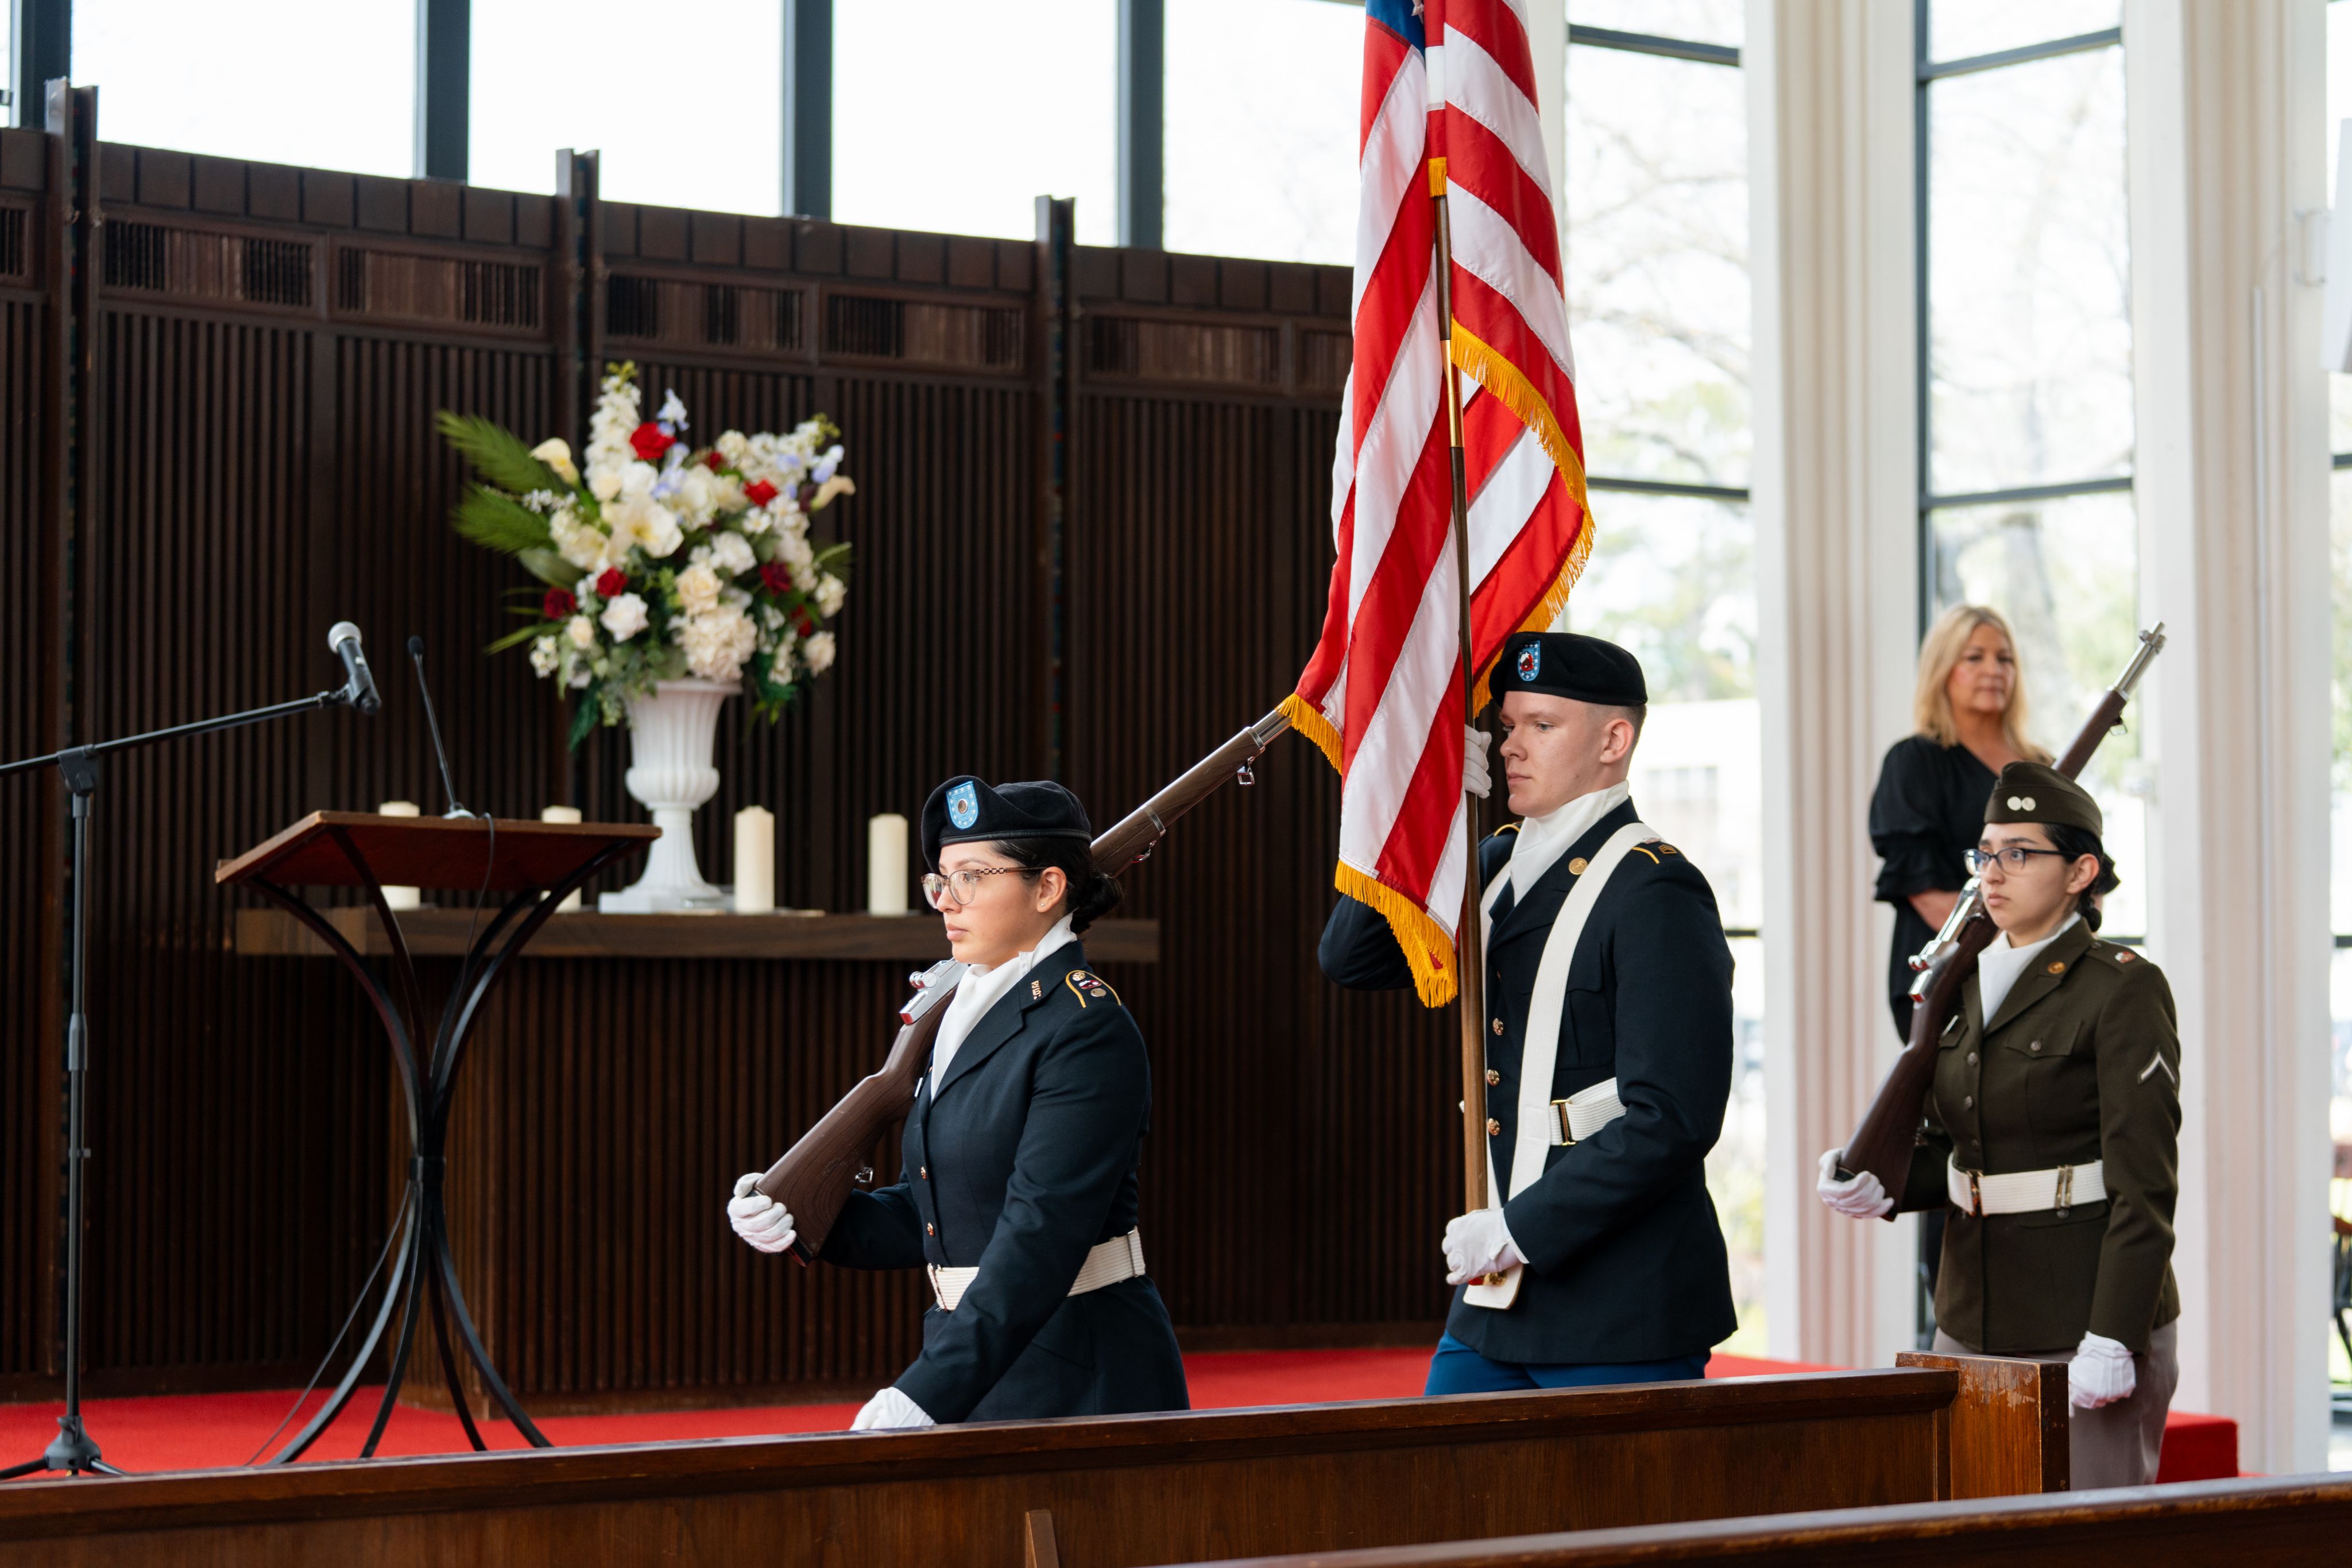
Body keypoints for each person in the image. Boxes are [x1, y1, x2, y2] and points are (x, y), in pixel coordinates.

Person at [1320, 631, 1736, 1394]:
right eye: (1508, 726)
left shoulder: (1655, 890)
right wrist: (1428, 809)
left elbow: (1672, 1114)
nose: (1513, 745)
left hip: (1623, 1303)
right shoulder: (1497, 864)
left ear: (1615, 739)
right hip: (1497, 1304)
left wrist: (1519, 1228)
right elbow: (1350, 958)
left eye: (1542, 725)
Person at [725, 776, 1188, 1428]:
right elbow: (945, 1207)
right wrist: (806, 1216)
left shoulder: (1084, 1026)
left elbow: (1038, 1237)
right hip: (974, 1357)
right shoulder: (964, 1012)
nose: (946, 900)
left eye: (971, 876)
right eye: (939, 879)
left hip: (1078, 1373)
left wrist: (925, 1394)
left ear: (1049, 887)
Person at [1818, 763, 2181, 1488]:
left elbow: (2144, 1187)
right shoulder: (1959, 984)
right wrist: (1881, 1183)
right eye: (1984, 854)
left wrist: (2113, 1332)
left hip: (2080, 1319)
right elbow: (1964, 1150)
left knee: (2088, 1543)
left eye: (2019, 853)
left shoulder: (2122, 986)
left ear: (2081, 871)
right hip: (1968, 1315)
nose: (1993, 872)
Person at [1871, 605, 2049, 1039]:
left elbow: (2087, 874)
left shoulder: (2043, 766)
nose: (1994, 669)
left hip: (2044, 976)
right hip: (1950, 975)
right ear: (1943, 669)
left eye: (2004, 658)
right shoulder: (1914, 761)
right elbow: (1927, 894)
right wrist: (2021, 946)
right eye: (1975, 657)